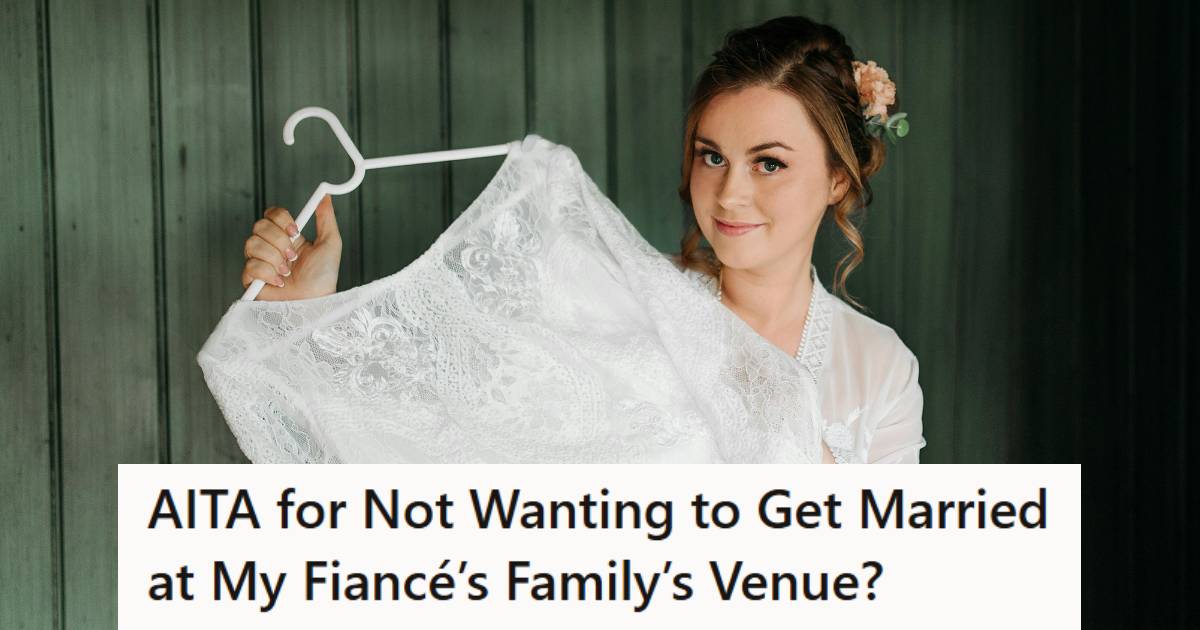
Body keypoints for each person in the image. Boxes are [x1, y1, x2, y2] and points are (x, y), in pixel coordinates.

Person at [230, 16, 924, 464]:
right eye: (711, 155)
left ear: (839, 177)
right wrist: (306, 320)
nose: (730, 192)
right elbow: (434, 452)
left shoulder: (879, 368)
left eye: (768, 163)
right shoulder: (607, 298)